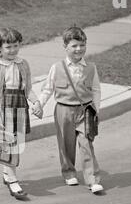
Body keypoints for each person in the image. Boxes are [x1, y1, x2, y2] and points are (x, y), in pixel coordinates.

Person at [39, 26, 104, 194]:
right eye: (74, 46)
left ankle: (93, 179)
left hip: (85, 110)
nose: (79, 49)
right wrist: (39, 104)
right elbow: (47, 89)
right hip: (63, 110)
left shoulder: (91, 67)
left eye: (82, 45)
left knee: (86, 144)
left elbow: (96, 89)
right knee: (66, 145)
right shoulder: (57, 67)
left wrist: (96, 109)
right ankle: (69, 173)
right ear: (66, 47)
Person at [0, 27, 43, 200]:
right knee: (9, 145)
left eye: (16, 46)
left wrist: (36, 102)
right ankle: (13, 181)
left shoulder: (23, 64)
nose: (12, 50)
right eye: (8, 47)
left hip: (19, 105)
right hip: (4, 109)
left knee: (17, 144)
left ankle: (6, 171)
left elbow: (27, 89)